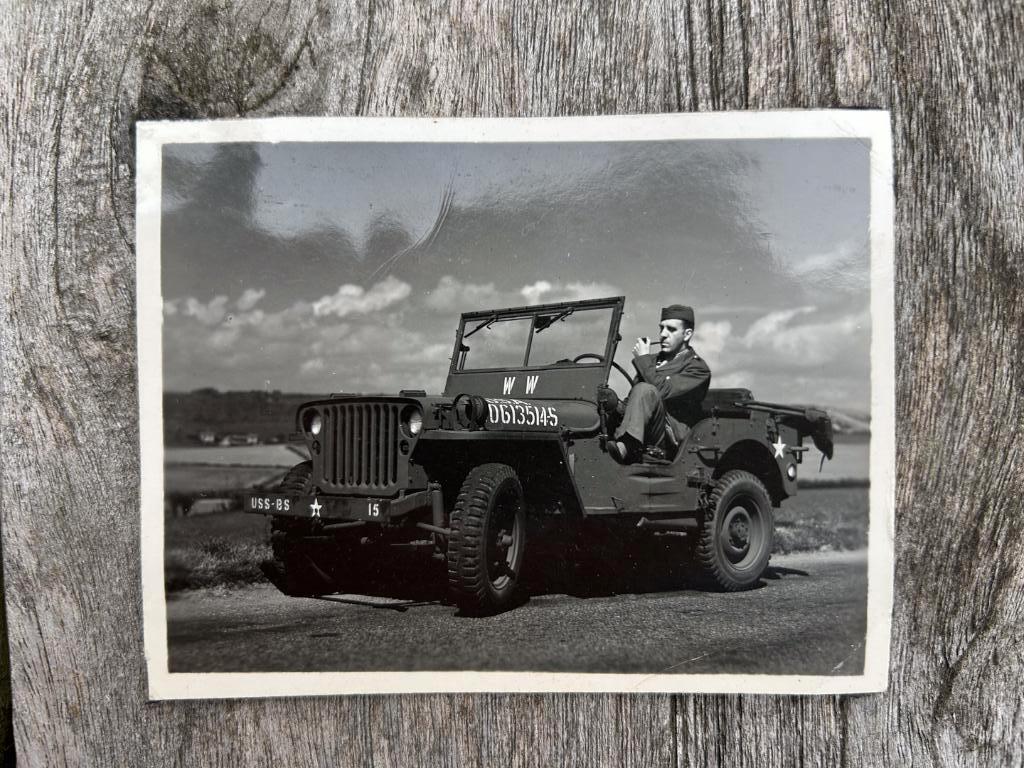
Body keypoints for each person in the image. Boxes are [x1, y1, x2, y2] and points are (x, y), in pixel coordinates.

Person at [606, 304, 711, 464]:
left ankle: (626, 445)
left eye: (671, 329)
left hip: (672, 438)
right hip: (647, 430)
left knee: (645, 389)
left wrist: (643, 359)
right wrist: (615, 406)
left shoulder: (697, 368)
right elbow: (637, 402)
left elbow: (661, 390)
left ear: (687, 334)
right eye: (661, 328)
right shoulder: (652, 361)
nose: (663, 334)